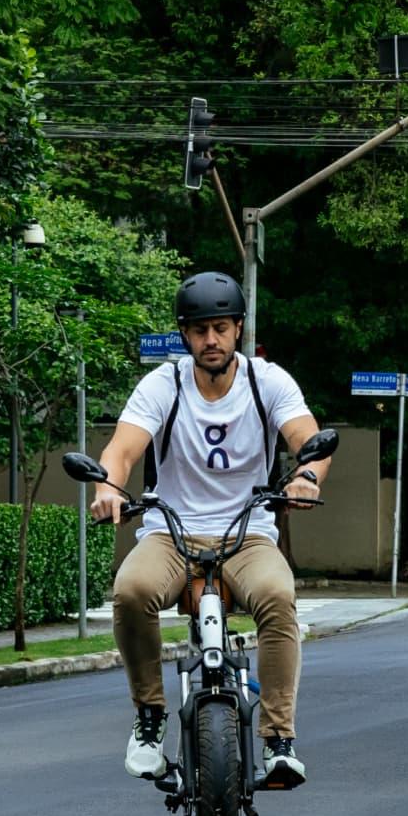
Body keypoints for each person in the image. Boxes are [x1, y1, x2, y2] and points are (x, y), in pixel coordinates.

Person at [87, 270, 328, 788]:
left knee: (278, 596)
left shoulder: (268, 381)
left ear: (238, 328)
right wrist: (108, 486)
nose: (211, 339)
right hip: (170, 532)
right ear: (184, 335)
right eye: (199, 330)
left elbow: (305, 438)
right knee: (131, 591)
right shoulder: (164, 383)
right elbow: (123, 448)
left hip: (248, 533)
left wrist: (307, 476)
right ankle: (149, 719)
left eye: (220, 327)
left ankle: (279, 740)